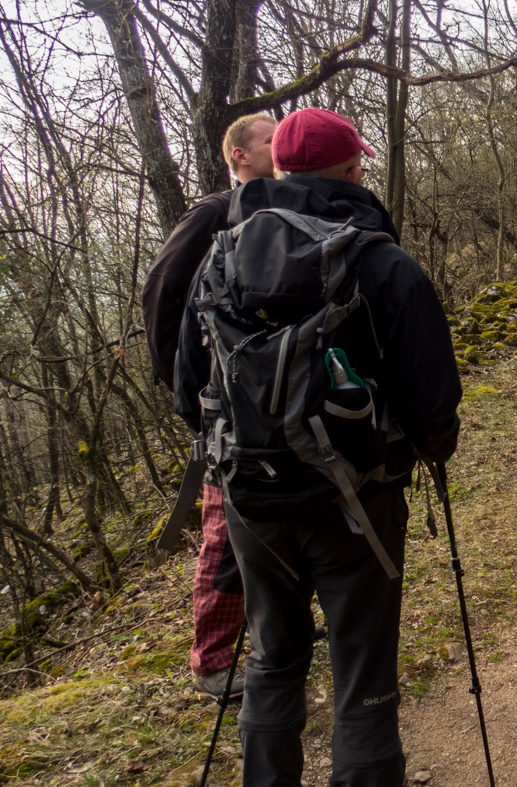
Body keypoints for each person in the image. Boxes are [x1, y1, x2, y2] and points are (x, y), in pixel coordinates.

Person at [173, 107, 462, 786]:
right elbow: (431, 396)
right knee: (362, 667)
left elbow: (190, 390)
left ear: (278, 168)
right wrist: (429, 451)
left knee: (273, 655)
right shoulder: (379, 260)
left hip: (251, 504)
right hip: (355, 501)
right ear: (355, 169)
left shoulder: (218, 257)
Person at [142, 113, 277, 698]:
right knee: (224, 529)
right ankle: (212, 660)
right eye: (271, 141)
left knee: (273, 520)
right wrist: (186, 385)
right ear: (240, 155)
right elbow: (162, 290)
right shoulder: (212, 212)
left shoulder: (277, 211)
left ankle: (270, 631)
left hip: (268, 402)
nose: (282, 148)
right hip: (221, 404)